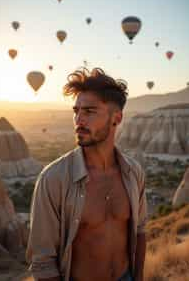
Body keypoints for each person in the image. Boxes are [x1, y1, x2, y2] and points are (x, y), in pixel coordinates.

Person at [26, 68, 148, 281]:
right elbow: (43, 262)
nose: (79, 120)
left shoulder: (133, 172)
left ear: (116, 118)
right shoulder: (53, 179)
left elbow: (140, 230)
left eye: (89, 111)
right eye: (76, 111)